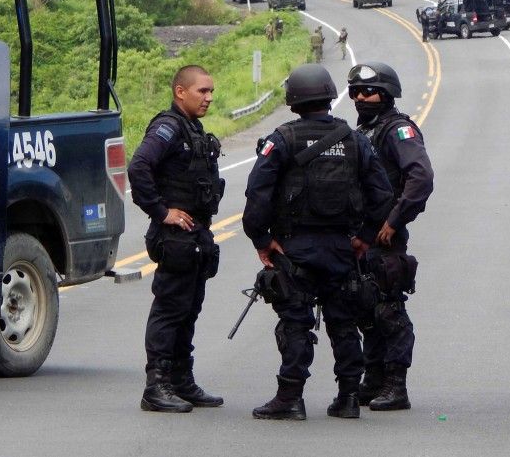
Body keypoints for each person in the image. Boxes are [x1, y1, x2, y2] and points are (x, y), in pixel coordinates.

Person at [243, 64, 393, 421]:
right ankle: (349, 398)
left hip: (294, 250)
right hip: (342, 249)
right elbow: (382, 193)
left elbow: (256, 196)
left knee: (295, 322)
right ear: (329, 95)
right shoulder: (354, 139)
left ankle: (290, 398)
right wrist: (364, 238)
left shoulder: (282, 139)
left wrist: (262, 240)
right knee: (343, 323)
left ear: (293, 100)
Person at [128, 65, 225, 413]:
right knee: (170, 310)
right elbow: (139, 167)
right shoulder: (167, 127)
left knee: (188, 310)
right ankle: (157, 386)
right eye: (202, 91)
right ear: (180, 92)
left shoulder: (192, 129)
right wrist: (161, 210)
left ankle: (182, 382)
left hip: (196, 234)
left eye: (211, 91)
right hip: (175, 237)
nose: (209, 98)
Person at [347, 62, 434, 411]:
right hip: (359, 238)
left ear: (386, 94)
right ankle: (375, 377)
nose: (360, 97)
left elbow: (421, 178)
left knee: (388, 311)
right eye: (355, 92)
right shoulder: (363, 132)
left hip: (384, 238)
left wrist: (395, 222)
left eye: (368, 91)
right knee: (364, 308)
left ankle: (396, 384)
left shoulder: (398, 131)